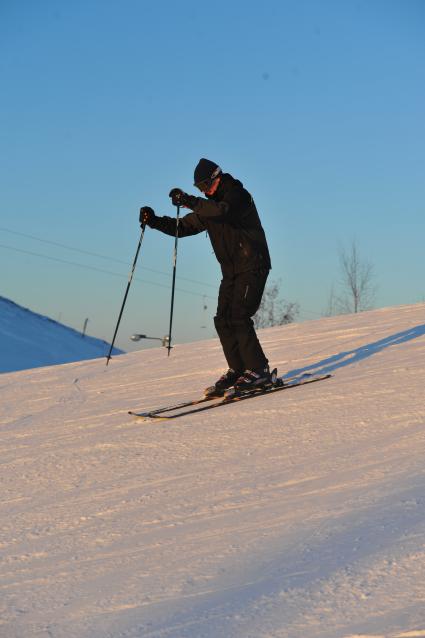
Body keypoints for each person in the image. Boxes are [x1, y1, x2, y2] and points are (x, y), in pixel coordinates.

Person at [139, 158, 272, 396]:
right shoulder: (207, 207)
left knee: (239, 316)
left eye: (206, 186)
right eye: (200, 188)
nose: (205, 191)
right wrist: (154, 220)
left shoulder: (238, 196)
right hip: (231, 271)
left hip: (253, 265)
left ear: (217, 177)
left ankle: (259, 370)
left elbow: (223, 211)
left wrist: (190, 200)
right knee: (222, 319)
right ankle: (239, 369)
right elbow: (183, 227)